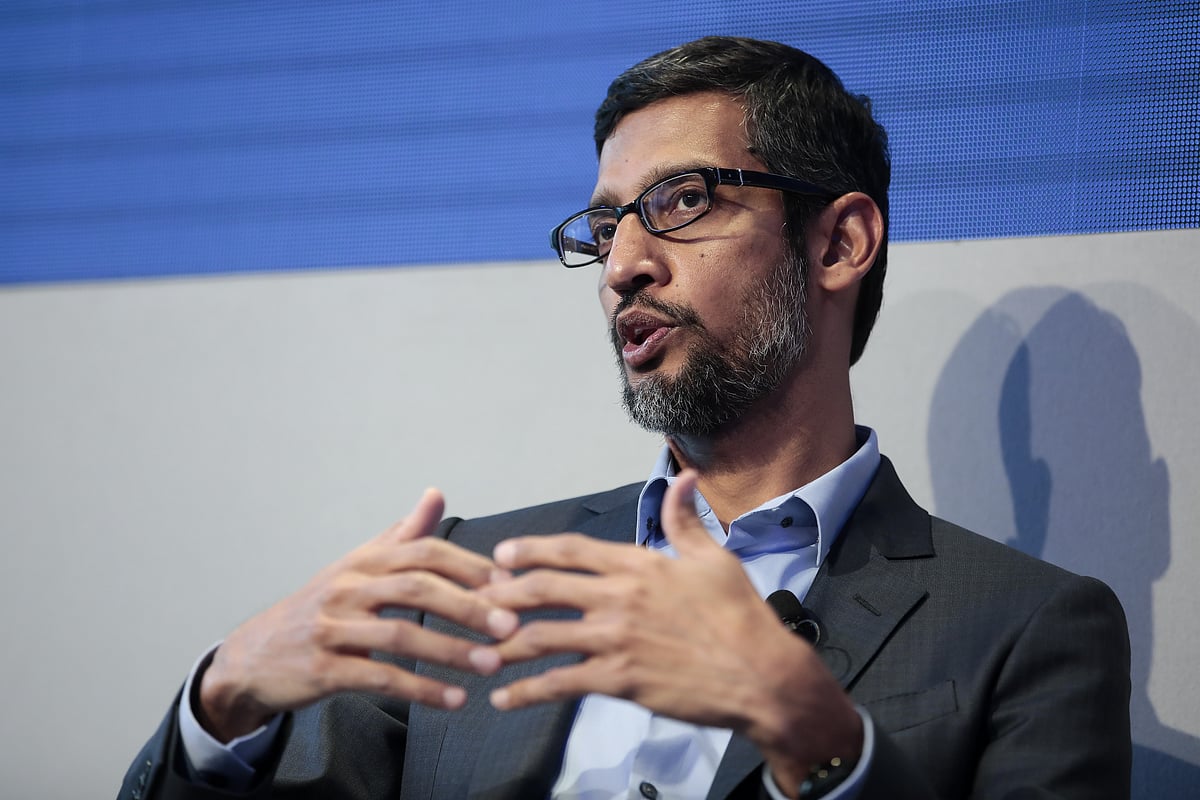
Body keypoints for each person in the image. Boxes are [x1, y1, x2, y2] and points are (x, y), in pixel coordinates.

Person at [119, 36, 1131, 800]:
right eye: (606, 225)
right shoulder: (474, 575)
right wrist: (224, 699)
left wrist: (826, 746)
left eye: (682, 201)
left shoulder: (1029, 629)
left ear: (838, 244)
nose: (622, 265)